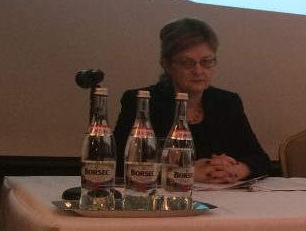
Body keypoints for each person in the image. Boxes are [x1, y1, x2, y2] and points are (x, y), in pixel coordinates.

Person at [113, 17, 270, 183]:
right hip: (165, 196)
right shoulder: (142, 102)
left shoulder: (227, 102)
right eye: (187, 63)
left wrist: (235, 170)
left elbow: (259, 158)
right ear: (167, 65)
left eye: (206, 62)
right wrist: (184, 172)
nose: (198, 71)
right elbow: (119, 164)